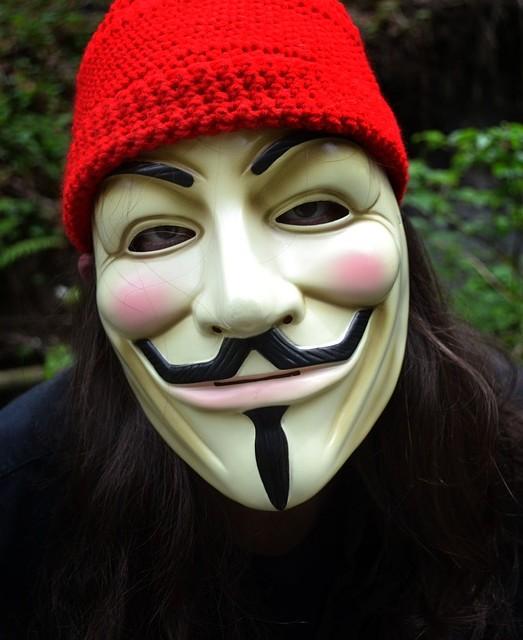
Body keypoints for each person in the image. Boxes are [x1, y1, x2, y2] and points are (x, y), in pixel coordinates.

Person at [1, 1, 522, 638]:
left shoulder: (504, 456)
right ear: (92, 279)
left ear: (401, 235)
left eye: (313, 210)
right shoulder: (17, 499)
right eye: (157, 234)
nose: (243, 304)